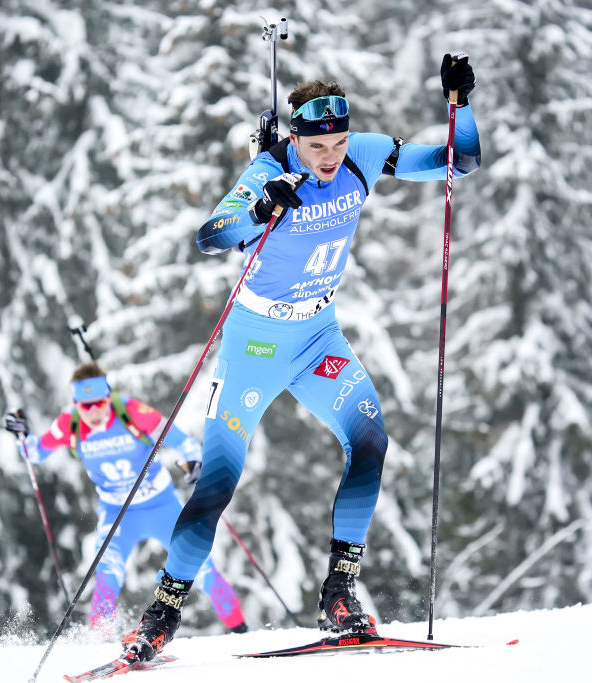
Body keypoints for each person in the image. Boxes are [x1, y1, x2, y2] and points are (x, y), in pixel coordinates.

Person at [121, 53, 480, 661]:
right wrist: (261, 209)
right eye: (319, 146)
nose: (332, 156)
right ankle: (163, 612)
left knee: (370, 442)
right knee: (217, 484)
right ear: (295, 139)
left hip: (318, 338)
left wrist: (459, 107)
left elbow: (459, 161)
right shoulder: (269, 169)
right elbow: (211, 235)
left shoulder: (362, 155)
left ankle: (339, 593)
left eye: (339, 141)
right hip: (255, 345)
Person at [3, 361, 248, 638]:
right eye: (86, 406)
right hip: (117, 513)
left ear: (109, 397)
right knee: (107, 576)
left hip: (162, 506)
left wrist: (193, 462)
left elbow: (182, 441)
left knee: (201, 568)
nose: (94, 411)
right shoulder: (69, 425)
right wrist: (20, 435)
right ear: (75, 404)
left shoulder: (132, 412)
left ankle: (242, 633)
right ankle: (100, 643)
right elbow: (34, 453)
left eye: (100, 402)